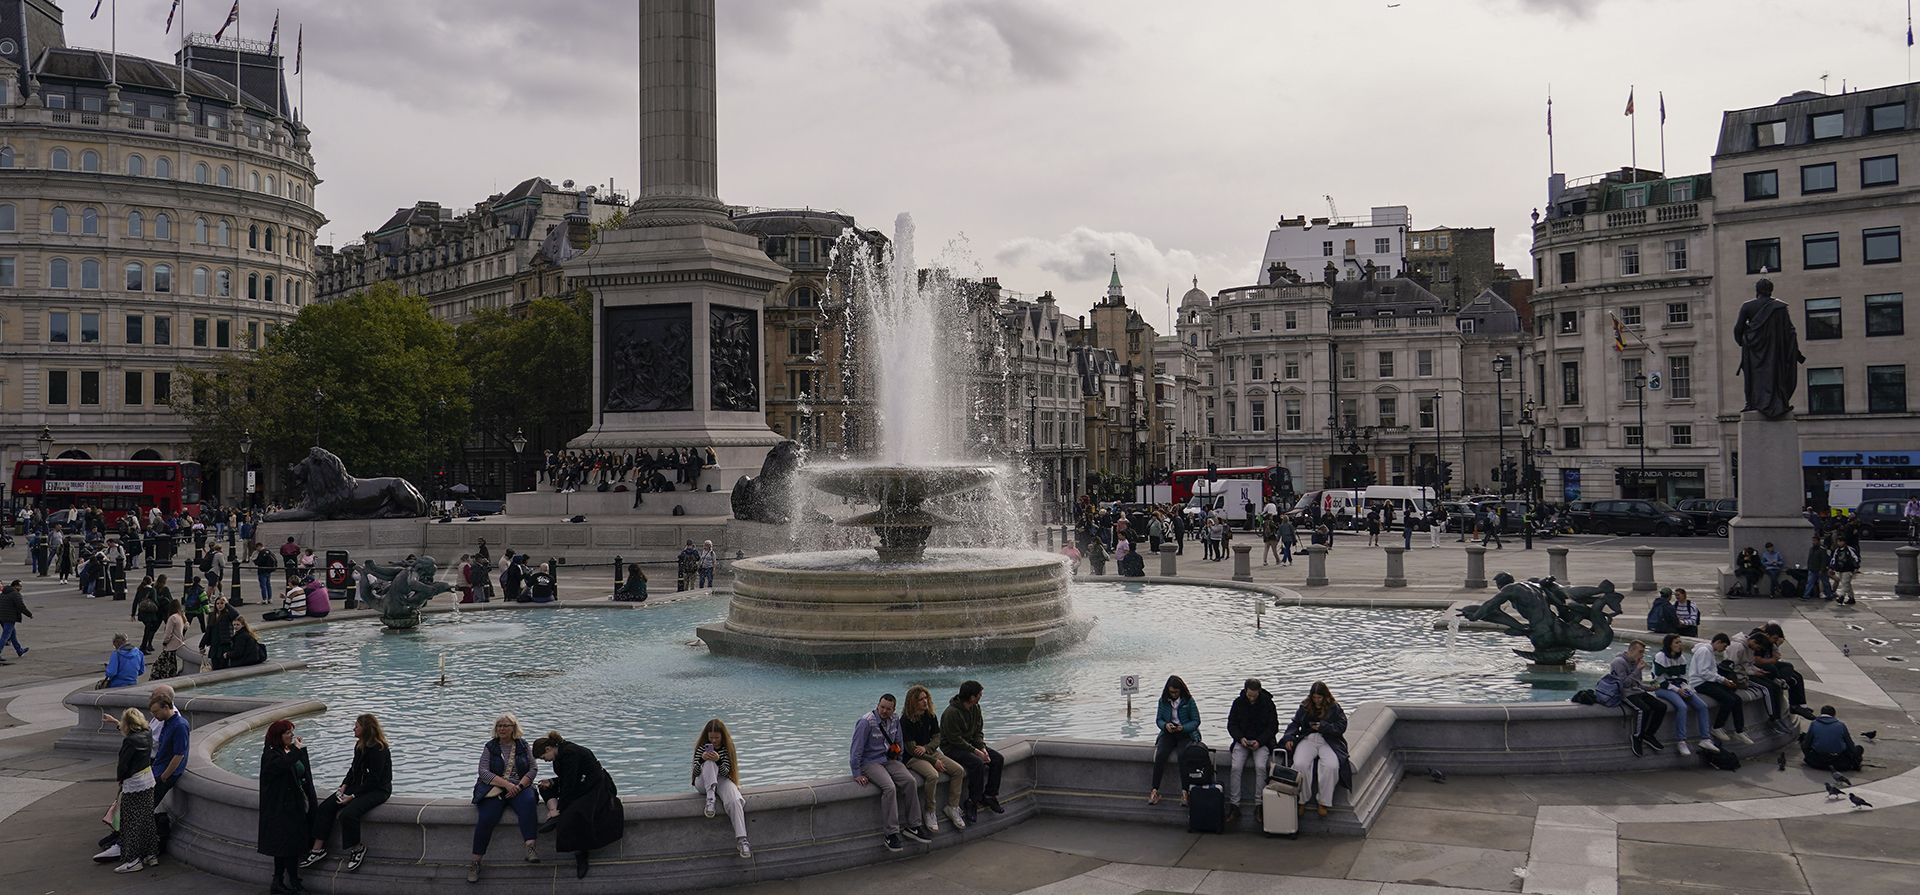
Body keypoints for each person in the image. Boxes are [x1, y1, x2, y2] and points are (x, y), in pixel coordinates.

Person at [303, 714, 391, 875]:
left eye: (356, 726)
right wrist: (343, 787)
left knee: (348, 814)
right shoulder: (360, 745)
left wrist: (352, 797)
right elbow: (353, 770)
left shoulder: (379, 749)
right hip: (358, 786)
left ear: (365, 729)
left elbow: (374, 780)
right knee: (325, 808)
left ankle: (357, 849)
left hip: (378, 789)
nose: (353, 728)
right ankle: (317, 850)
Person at [531, 731, 623, 879]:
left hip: (594, 787)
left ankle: (581, 852)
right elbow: (568, 778)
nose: (545, 761)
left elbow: (570, 785)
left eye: (543, 757)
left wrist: (562, 807)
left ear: (548, 749)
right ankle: (554, 811)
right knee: (544, 787)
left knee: (575, 814)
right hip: (580, 783)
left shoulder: (569, 753)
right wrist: (552, 782)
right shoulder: (561, 753)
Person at [851, 693, 932, 851]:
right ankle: (891, 834)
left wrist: (899, 761)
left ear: (893, 709)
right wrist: (856, 773)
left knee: (910, 781)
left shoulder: (895, 719)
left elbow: (898, 740)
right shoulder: (865, 722)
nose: (884, 711)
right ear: (878, 705)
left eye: (888, 709)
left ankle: (914, 826)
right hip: (870, 762)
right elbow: (856, 749)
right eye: (882, 707)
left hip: (889, 760)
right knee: (889, 787)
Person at [469, 713, 540, 883]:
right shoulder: (490, 747)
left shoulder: (523, 746)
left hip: (520, 787)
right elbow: (484, 772)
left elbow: (533, 768)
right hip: (494, 788)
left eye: (506, 725)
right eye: (499, 725)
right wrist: (507, 785)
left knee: (529, 804)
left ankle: (530, 847)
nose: (502, 728)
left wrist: (520, 786)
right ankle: (475, 862)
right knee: (486, 818)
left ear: (513, 728)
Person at [258, 718, 317, 893]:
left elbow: (299, 770)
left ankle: (283, 881)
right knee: (286, 846)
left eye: (291, 731)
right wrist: (297, 751)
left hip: (294, 805)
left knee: (291, 845)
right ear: (278, 736)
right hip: (280, 808)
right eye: (287, 733)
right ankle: (286, 881)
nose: (291, 735)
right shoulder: (270, 755)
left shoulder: (288, 750)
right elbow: (283, 765)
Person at [901, 684, 967, 833]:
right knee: (932, 775)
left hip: (929, 752)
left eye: (926, 698)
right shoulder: (905, 721)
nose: (925, 702)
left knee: (958, 770)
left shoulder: (930, 715)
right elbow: (912, 749)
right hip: (913, 758)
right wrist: (933, 760)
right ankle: (930, 811)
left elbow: (937, 738)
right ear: (913, 702)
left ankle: (952, 807)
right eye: (920, 700)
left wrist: (927, 748)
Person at [1281, 682, 1351, 819]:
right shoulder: (1305, 706)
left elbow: (1341, 726)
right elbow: (1295, 723)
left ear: (1325, 697)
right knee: (1300, 764)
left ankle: (1324, 801)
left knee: (1331, 766)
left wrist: (1323, 727)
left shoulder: (1334, 707)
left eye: (1319, 698)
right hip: (1308, 739)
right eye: (1315, 698)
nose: (1317, 700)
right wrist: (1289, 737)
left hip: (1328, 740)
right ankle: (1301, 799)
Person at [939, 680, 1004, 825]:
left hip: (971, 745)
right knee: (977, 763)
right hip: (952, 748)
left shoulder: (976, 708)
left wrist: (982, 748)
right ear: (972, 697)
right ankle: (972, 801)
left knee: (997, 759)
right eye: (979, 694)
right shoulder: (951, 713)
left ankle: (989, 795)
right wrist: (976, 752)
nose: (981, 696)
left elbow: (978, 732)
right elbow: (955, 740)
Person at [1649, 634, 1720, 757]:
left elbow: (1682, 677)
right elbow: (1658, 680)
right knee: (1682, 707)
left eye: (1680, 642)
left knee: (1702, 706)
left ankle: (1705, 739)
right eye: (1676, 642)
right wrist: (1677, 690)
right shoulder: (1660, 657)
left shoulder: (1681, 658)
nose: (1680, 645)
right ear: (1669, 644)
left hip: (1678, 686)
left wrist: (1686, 688)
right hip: (1662, 688)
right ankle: (1681, 741)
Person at [691, 718, 751, 858]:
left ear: (722, 736)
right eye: (711, 738)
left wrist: (718, 759)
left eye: (717, 738)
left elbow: (727, 773)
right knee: (709, 763)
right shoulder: (701, 748)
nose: (713, 741)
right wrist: (702, 759)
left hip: (722, 780)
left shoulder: (727, 749)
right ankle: (710, 800)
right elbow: (695, 774)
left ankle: (742, 840)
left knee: (735, 800)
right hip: (703, 784)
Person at [1597, 641, 1669, 756]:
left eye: (1643, 652)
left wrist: (1649, 688)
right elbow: (1624, 684)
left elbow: (1637, 683)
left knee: (1661, 707)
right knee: (1643, 709)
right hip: (1625, 693)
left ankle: (1649, 734)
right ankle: (1637, 737)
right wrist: (1637, 670)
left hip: (1637, 691)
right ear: (1631, 650)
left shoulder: (1636, 662)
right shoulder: (1618, 662)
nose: (1642, 655)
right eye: (1640, 652)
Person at [113, 707, 161, 874]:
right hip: (148, 779)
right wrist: (116, 723)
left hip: (134, 783)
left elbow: (124, 765)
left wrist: (120, 778)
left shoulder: (130, 741)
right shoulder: (147, 734)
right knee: (147, 818)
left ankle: (133, 860)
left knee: (130, 821)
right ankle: (151, 854)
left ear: (127, 724)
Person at [1224, 678, 1278, 818]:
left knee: (1260, 767)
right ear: (1245, 691)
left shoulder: (1268, 704)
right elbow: (1232, 724)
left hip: (1261, 742)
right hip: (1242, 740)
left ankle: (1259, 804)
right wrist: (1240, 738)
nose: (1252, 698)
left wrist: (1259, 741)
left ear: (1259, 692)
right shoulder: (1238, 703)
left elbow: (1273, 727)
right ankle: (1234, 804)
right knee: (1236, 767)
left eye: (1254, 695)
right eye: (1249, 695)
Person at [1145, 675, 1200, 806]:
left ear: (1181, 690)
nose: (1174, 694)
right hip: (1168, 733)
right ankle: (1154, 790)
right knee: (1160, 755)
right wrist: (1166, 726)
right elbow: (1159, 719)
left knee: (1183, 756)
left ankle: (1185, 792)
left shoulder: (1189, 701)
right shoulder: (1163, 701)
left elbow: (1196, 721)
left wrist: (1183, 727)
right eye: (1171, 692)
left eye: (1176, 692)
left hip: (1185, 733)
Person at [1692, 635, 1753, 746]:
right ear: (1718, 642)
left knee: (1737, 699)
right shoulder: (1704, 651)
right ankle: (1717, 727)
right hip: (1700, 683)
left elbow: (1711, 672)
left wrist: (1724, 681)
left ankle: (1739, 730)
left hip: (1709, 681)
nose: (1724, 650)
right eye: (1724, 646)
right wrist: (1723, 680)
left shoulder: (1709, 652)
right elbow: (1703, 672)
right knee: (1728, 699)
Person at [1800, 706, 1864, 772]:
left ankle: (1811, 758)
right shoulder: (1841, 725)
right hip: (1839, 763)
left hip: (1817, 762)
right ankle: (1854, 762)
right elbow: (1851, 746)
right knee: (1859, 748)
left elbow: (1806, 745)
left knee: (1803, 741)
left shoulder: (1814, 724)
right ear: (1834, 715)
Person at [151, 598, 187, 680]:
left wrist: (164, 642)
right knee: (172, 665)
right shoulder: (180, 617)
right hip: (179, 644)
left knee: (159, 666)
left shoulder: (172, 618)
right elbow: (186, 626)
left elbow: (168, 633)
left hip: (171, 646)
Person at [0, 579, 31, 661]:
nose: (21, 587)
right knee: (5, 636)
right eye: (20, 586)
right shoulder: (15, 594)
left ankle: (19, 650)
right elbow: (21, 607)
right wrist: (29, 614)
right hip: (9, 617)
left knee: (13, 635)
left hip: (2, 617)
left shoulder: (4, 592)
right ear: (15, 586)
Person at [1801, 535, 1834, 601]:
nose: (1813, 542)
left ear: (1818, 541)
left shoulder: (1822, 550)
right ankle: (1806, 595)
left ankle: (1829, 595)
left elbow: (1823, 561)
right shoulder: (1811, 549)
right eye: (1813, 541)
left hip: (1820, 569)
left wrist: (1822, 569)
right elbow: (1810, 559)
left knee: (1825, 583)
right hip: (1812, 569)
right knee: (1810, 583)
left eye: (1815, 541)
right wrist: (1809, 567)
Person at [1829, 538, 1860, 605]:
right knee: (1847, 584)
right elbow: (1834, 559)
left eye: (1840, 541)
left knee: (1844, 583)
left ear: (1844, 542)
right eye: (1838, 541)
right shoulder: (1837, 550)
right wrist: (1832, 567)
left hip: (1848, 569)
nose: (1839, 543)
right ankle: (1851, 598)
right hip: (1840, 569)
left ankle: (1841, 597)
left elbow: (1856, 558)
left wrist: (1856, 567)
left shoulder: (1849, 549)